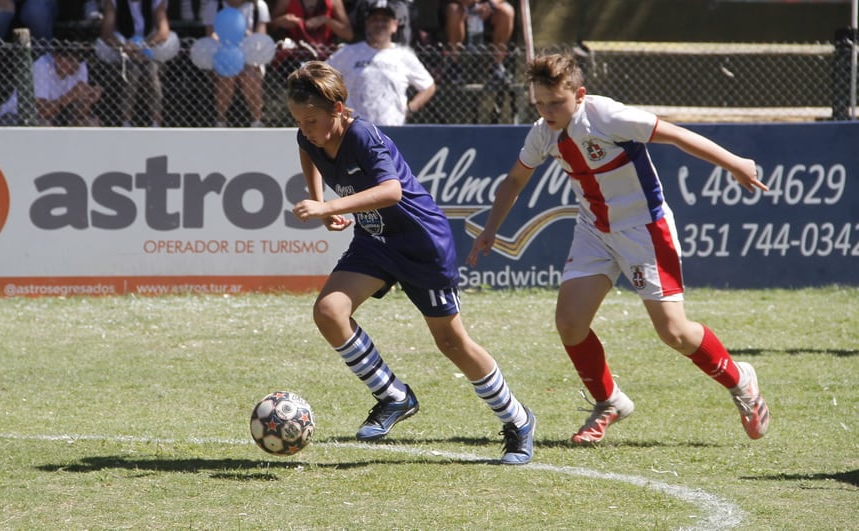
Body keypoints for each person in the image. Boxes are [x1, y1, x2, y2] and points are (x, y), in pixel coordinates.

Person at [467, 51, 772, 444]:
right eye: (539, 103)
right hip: (594, 229)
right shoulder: (543, 132)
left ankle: (740, 379)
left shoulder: (608, 117)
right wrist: (490, 229)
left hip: (645, 229)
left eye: (555, 102)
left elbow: (677, 135)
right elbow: (513, 181)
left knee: (674, 332)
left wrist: (733, 162)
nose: (546, 111)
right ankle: (608, 401)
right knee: (570, 324)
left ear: (580, 94)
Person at [286, 60, 535, 464]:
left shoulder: (363, 136)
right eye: (298, 119)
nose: (305, 127)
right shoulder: (309, 133)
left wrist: (328, 204)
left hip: (420, 243)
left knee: (451, 342)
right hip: (375, 239)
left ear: (337, 109)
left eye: (311, 119)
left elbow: (391, 191)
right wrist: (322, 202)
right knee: (330, 311)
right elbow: (307, 151)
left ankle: (518, 420)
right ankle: (394, 396)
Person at [326, 4, 433, 126]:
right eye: (375, 20)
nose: (380, 24)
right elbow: (323, 76)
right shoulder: (348, 52)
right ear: (367, 25)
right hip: (355, 128)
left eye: (385, 20)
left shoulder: (404, 56)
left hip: (393, 128)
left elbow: (428, 86)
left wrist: (410, 108)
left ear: (395, 26)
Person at [99, 0, 170, 127]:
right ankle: (126, 120)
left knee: (152, 71)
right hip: (122, 50)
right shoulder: (113, 2)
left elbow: (163, 31)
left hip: (148, 49)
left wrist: (143, 47)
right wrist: (124, 48)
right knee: (132, 72)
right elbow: (106, 33)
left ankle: (156, 120)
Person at [204, 0, 269, 127]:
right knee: (227, 74)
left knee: (249, 74)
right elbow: (210, 36)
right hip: (224, 56)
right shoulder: (214, 5)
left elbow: (260, 38)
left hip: (251, 56)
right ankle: (220, 120)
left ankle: (257, 120)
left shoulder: (259, 6)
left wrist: (247, 38)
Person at [0, 48, 102, 126]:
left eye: (78, 60)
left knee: (91, 123)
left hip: (54, 116)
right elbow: (42, 111)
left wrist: (87, 101)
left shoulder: (81, 66)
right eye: (69, 60)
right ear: (56, 58)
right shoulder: (42, 66)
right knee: (45, 125)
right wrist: (70, 96)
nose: (75, 65)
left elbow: (77, 114)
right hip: (16, 116)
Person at [440, 0, 513, 85]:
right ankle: (453, 65)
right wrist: (469, 4)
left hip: (488, 8)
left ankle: (497, 66)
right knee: (454, 9)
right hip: (460, 6)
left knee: (507, 11)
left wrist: (491, 4)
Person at [269, 0, 353, 56]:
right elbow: (268, 28)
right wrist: (280, 21)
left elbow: (349, 35)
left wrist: (326, 20)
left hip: (326, 57)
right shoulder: (286, 1)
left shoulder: (333, 1)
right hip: (293, 57)